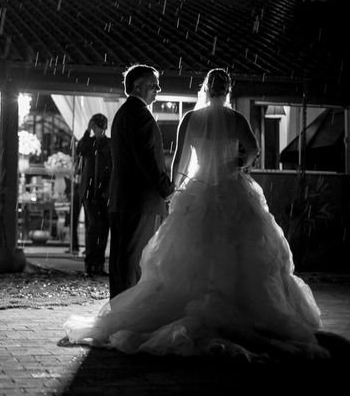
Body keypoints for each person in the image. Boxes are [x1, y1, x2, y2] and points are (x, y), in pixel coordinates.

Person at [63, 68, 329, 360]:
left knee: (183, 256)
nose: (158, 90)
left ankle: (152, 309)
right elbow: (253, 150)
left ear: (205, 89)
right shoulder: (236, 119)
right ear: (227, 91)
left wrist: (177, 192)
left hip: (197, 191)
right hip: (233, 191)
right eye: (154, 86)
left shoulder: (191, 119)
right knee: (243, 253)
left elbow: (180, 161)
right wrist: (237, 164)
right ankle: (244, 308)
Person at [108, 64, 175, 298]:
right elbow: (148, 159)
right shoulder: (140, 115)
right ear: (137, 86)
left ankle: (118, 308)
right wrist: (167, 189)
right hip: (140, 200)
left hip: (124, 198)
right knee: (133, 260)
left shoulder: (124, 113)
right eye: (153, 84)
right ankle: (127, 311)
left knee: (121, 258)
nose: (158, 88)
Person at [76, 113, 112, 277]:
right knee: (94, 228)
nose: (99, 131)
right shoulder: (89, 143)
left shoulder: (108, 144)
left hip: (102, 193)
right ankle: (91, 263)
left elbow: (111, 167)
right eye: (97, 128)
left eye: (100, 128)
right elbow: (80, 149)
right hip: (90, 193)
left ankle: (97, 263)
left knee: (102, 229)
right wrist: (87, 131)